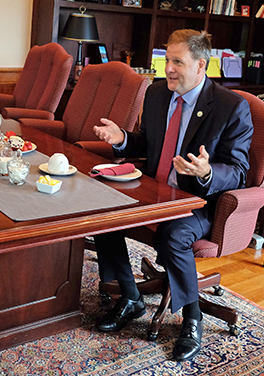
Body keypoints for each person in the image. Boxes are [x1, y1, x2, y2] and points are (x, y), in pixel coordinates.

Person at [92, 29, 253, 361]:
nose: (169, 69)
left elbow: (238, 170)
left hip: (200, 201)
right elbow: (147, 144)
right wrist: (121, 137)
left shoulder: (231, 107)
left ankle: (192, 318)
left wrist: (207, 172)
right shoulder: (155, 94)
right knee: (101, 211)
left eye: (178, 62)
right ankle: (131, 297)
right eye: (167, 60)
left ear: (201, 66)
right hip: (154, 190)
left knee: (173, 235)